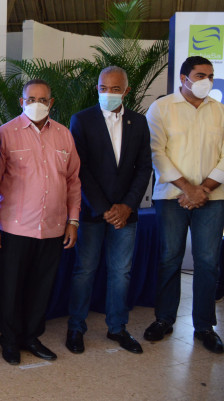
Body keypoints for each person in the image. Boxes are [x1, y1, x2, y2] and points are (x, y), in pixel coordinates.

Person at [0, 79, 80, 365]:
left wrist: (73, 220)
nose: (37, 104)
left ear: (51, 103)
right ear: (21, 102)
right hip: (14, 227)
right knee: (11, 288)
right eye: (31, 99)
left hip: (53, 226)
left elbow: (73, 181)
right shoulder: (5, 134)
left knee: (42, 287)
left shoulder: (64, 135)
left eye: (42, 99)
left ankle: (31, 337)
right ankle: (9, 340)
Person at [66, 66, 152, 355]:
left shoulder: (139, 122)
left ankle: (117, 328)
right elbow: (80, 169)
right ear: (97, 89)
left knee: (121, 272)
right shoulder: (82, 120)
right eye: (103, 88)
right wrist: (104, 208)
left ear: (126, 91)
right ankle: (76, 327)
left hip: (126, 214)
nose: (109, 93)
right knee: (84, 270)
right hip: (93, 211)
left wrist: (127, 206)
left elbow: (144, 168)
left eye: (115, 89)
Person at [144, 56, 224, 354]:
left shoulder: (219, 110)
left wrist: (203, 190)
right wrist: (188, 189)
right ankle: (164, 319)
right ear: (183, 78)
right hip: (171, 197)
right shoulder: (162, 108)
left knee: (207, 262)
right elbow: (156, 152)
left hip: (212, 198)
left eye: (210, 76)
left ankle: (204, 326)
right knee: (169, 258)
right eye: (200, 75)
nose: (207, 81)